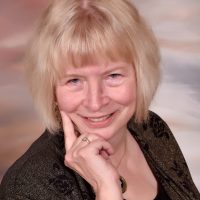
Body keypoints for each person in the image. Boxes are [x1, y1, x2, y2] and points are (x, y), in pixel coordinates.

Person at [0, 0, 199, 199]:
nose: (95, 102)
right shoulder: (25, 188)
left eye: (113, 76)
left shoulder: (151, 128)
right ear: (52, 89)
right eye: (74, 80)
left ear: (141, 75)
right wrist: (106, 187)